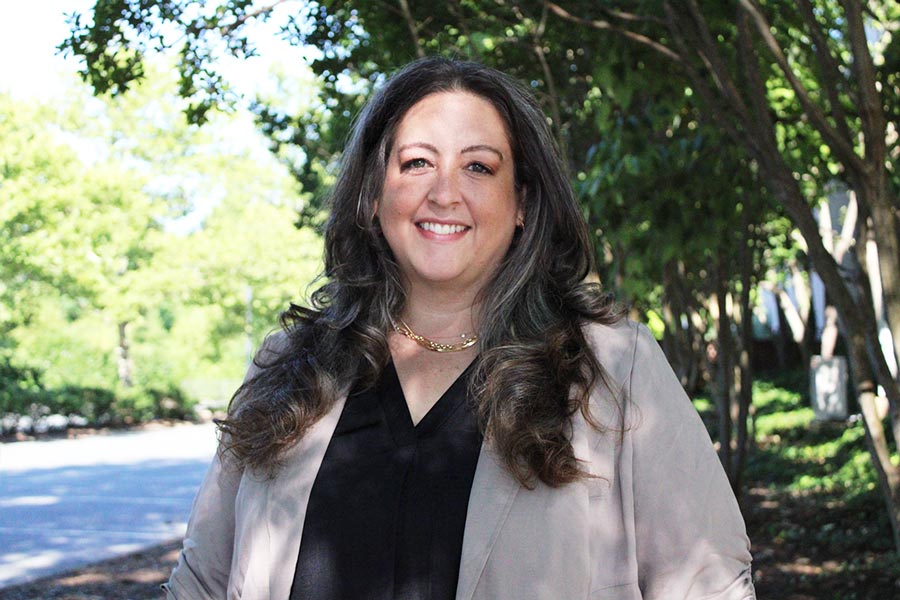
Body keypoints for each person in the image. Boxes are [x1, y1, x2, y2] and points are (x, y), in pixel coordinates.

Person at [164, 57, 755, 600]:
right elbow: (202, 583)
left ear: (521, 202)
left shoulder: (610, 368)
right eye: (417, 162)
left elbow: (709, 584)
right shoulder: (291, 367)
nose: (444, 193)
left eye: (478, 166)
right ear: (373, 194)